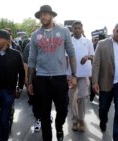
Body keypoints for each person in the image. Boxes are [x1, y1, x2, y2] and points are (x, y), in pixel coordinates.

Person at [28, 5, 77, 141]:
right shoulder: (35, 35)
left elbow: (71, 54)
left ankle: (59, 127)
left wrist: (74, 75)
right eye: (40, 15)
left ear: (52, 15)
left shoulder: (63, 31)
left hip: (59, 77)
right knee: (44, 113)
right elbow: (31, 59)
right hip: (41, 78)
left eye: (45, 14)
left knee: (63, 110)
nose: (42, 17)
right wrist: (29, 82)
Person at [68, 21, 94, 132]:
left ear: (82, 29)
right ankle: (74, 120)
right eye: (75, 28)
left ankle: (81, 119)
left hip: (84, 74)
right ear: (72, 29)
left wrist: (87, 57)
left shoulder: (87, 41)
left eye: (79, 28)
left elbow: (93, 56)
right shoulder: (68, 41)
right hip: (71, 75)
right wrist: (66, 74)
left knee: (83, 98)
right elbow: (65, 58)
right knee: (72, 99)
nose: (77, 29)